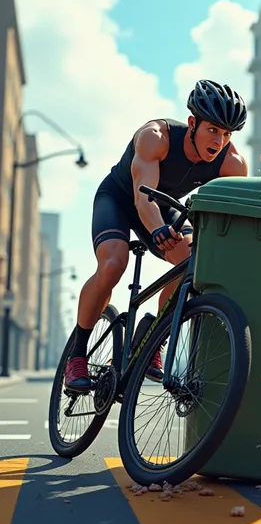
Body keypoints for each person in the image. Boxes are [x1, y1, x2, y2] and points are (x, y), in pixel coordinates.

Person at [64, 79, 248, 393]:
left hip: (166, 207)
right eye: (213, 130)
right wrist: (157, 229)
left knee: (193, 264)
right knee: (113, 264)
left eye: (227, 134)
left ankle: (150, 339)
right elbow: (142, 198)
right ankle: (77, 355)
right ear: (193, 123)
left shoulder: (232, 164)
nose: (219, 141)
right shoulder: (156, 137)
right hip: (122, 199)